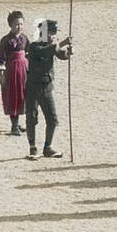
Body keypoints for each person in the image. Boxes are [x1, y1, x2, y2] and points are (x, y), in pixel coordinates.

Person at [23, 19, 71, 159]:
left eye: (53, 34)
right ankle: (32, 148)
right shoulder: (34, 47)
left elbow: (60, 55)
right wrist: (59, 44)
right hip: (32, 88)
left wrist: (68, 52)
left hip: (47, 88)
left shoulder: (52, 46)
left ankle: (47, 147)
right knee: (31, 118)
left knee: (52, 119)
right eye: (49, 33)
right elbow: (44, 52)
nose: (52, 36)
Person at [0, 10, 29, 136]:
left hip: (24, 71)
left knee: (23, 95)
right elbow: (1, 59)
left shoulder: (25, 39)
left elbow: (29, 53)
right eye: (16, 24)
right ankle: (14, 126)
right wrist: (2, 76)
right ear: (10, 25)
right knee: (12, 96)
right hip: (12, 72)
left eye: (21, 24)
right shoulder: (5, 40)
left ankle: (18, 123)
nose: (19, 27)